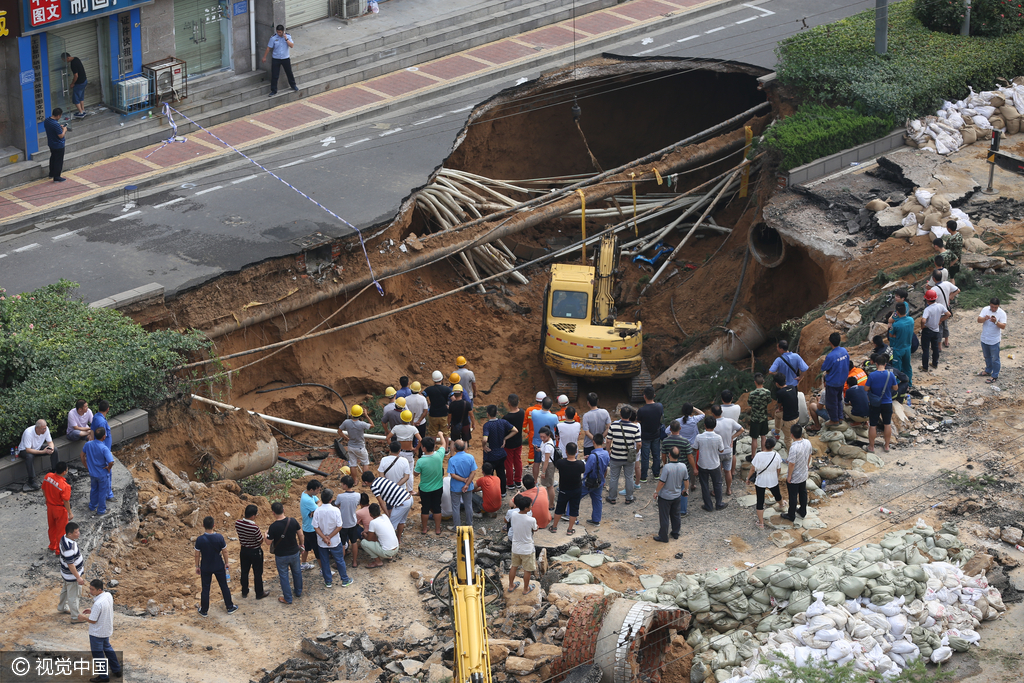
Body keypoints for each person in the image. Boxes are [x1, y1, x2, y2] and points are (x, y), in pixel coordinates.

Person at [77, 579, 122, 681]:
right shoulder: (108, 595)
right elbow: (104, 610)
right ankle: (116, 670)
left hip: (97, 633)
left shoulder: (98, 604)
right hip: (106, 630)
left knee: (98, 655)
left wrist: (84, 617)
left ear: (99, 590)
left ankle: (104, 676)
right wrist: (92, 611)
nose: (90, 591)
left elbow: (93, 620)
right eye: (90, 588)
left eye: (92, 589)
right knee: (108, 650)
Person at [194, 516, 237, 617]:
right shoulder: (219, 537)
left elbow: (197, 554)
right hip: (218, 565)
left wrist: (197, 566)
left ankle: (204, 610)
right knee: (224, 586)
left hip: (205, 566)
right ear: (214, 525)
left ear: (203, 525)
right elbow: (225, 551)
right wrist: (226, 563)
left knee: (206, 588)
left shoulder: (200, 539)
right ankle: (230, 607)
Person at [312, 489, 354, 588]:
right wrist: (329, 537)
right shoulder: (336, 510)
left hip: (322, 542)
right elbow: (339, 526)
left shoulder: (317, 511)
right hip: (334, 540)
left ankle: (328, 581)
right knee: (339, 560)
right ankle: (344, 580)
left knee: (325, 561)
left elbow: (315, 527)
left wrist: (324, 538)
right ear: (331, 499)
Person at [267, 501, 303, 604]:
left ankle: (288, 598)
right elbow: (300, 534)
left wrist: (265, 535)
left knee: (284, 576)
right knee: (297, 572)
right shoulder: (293, 521)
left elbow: (268, 542)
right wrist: (301, 544)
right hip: (294, 552)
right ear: (284, 510)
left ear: (273, 513)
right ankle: (298, 591)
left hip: (281, 555)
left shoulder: (273, 527)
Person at [361, 470, 413, 540]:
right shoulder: (381, 478)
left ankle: (392, 544)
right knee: (401, 521)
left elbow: (381, 502)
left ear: (366, 482)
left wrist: (388, 515)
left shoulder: (373, 486)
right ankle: (398, 539)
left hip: (402, 503)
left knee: (390, 526)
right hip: (409, 498)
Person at [652, 446, 688, 542]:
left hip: (665, 497)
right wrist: (686, 489)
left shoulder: (667, 467)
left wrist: (656, 492)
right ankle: (675, 533)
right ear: (679, 455)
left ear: (669, 455)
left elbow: (662, 482)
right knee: (676, 515)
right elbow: (686, 480)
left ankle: (663, 536)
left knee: (664, 517)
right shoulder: (683, 466)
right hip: (677, 495)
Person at [746, 437, 783, 530]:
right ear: (773, 446)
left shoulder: (758, 455)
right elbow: (779, 469)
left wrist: (748, 478)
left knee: (760, 501)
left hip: (760, 480)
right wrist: (776, 477)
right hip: (772, 479)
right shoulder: (777, 455)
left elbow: (753, 469)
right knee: (777, 494)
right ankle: (781, 504)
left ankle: (761, 523)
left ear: (764, 444)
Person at [235, 504, 270, 600]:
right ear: (253, 516)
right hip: (255, 551)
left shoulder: (238, 523)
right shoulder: (254, 528)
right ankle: (259, 593)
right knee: (257, 573)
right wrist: (265, 535)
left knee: (244, 571)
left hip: (244, 550)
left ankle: (244, 591)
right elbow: (260, 540)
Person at [550, 443, 586, 535]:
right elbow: (582, 471)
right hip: (576, 489)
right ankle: (570, 529)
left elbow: (557, 464)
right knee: (574, 510)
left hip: (563, 489)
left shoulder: (561, 463)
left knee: (559, 508)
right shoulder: (580, 464)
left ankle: (554, 527)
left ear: (566, 451)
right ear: (576, 451)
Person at [606, 407, 640, 505]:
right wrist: (635, 451)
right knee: (629, 477)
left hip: (615, 456)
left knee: (613, 477)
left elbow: (608, 440)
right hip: (629, 457)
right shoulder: (635, 428)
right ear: (630, 416)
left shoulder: (614, 425)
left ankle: (612, 498)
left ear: (620, 415)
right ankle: (629, 498)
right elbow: (639, 444)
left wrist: (608, 451)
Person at [864, 353, 896, 454]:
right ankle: (886, 446)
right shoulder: (890, 374)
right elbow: (895, 388)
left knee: (873, 425)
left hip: (875, 403)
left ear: (876, 364)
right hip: (887, 402)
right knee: (887, 424)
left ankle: (871, 447)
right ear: (885, 364)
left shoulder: (872, 375)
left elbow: (866, 388)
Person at [482, 405, 516, 496]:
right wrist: (505, 438)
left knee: (489, 475)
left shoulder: (487, 425)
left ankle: (490, 492)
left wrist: (484, 446)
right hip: (501, 453)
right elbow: (515, 430)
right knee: (501, 473)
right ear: (497, 413)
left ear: (487, 414)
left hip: (490, 454)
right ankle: (503, 492)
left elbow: (485, 439)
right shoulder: (503, 422)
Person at [693, 416, 726, 512]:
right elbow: (721, 450)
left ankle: (708, 505)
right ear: (715, 426)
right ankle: (719, 503)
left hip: (702, 464)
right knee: (717, 483)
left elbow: (695, 448)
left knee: (704, 484)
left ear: (704, 425)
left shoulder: (699, 437)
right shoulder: (718, 437)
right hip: (714, 464)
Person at [507, 494, 538, 594]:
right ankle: (526, 589)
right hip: (527, 549)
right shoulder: (531, 520)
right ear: (526, 508)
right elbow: (535, 529)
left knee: (514, 566)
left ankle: (511, 585)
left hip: (515, 547)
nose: (531, 507)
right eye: (530, 505)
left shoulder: (514, 515)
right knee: (527, 570)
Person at [415, 434, 446, 535]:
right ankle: (437, 529)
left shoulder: (421, 461)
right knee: (437, 507)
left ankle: (424, 528)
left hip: (425, 489)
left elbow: (415, 474)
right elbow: (444, 444)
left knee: (425, 508)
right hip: (438, 487)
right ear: (433, 446)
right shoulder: (439, 455)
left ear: (423, 448)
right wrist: (441, 435)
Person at [710, 405, 743, 496]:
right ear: (722, 412)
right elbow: (741, 429)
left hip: (717, 452)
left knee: (718, 472)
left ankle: (716, 490)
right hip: (728, 450)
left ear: (713, 413)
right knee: (727, 471)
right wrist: (732, 437)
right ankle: (728, 490)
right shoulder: (730, 421)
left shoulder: (713, 423)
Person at [17, 419, 57, 492]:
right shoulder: (28, 432)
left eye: (45, 428)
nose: (45, 430)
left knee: (55, 450)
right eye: (43, 429)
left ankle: (55, 471)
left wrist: (51, 449)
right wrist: (42, 452)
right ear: (37, 428)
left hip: (37, 448)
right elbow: (28, 450)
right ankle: (31, 479)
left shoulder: (46, 429)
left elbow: (50, 442)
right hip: (24, 450)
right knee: (30, 456)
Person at [821, 332, 851, 427]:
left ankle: (834, 420)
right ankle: (840, 417)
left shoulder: (831, 356)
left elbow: (824, 367)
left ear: (830, 342)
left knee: (831, 402)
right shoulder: (844, 351)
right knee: (838, 399)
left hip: (833, 382)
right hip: (842, 380)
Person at [780, 425, 810, 521]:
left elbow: (792, 464)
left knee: (793, 495)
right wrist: (807, 465)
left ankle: (791, 515)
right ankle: (803, 511)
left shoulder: (794, 447)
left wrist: (789, 476)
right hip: (803, 472)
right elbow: (810, 454)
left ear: (791, 435)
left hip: (795, 475)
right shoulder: (807, 442)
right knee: (803, 493)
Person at [43, 461, 73, 554]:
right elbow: (66, 501)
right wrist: (70, 512)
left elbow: (43, 489)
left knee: (52, 527)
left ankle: (52, 546)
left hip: (50, 507)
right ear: (64, 471)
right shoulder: (65, 486)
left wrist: (47, 499)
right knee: (61, 530)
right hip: (59, 509)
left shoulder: (48, 476)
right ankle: (59, 550)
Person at [636, 387, 664, 483]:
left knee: (645, 457)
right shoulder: (659, 407)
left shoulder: (641, 410)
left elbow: (638, 422)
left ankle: (643, 476)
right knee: (656, 455)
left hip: (645, 436)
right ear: (654, 396)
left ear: (644, 396)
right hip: (656, 434)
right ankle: (656, 474)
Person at [82, 427, 113, 514]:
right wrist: (109, 467)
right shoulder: (104, 448)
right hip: (102, 474)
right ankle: (101, 510)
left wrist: (86, 466)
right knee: (102, 492)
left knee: (94, 489)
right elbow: (111, 461)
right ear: (104, 436)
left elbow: (82, 455)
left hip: (92, 473)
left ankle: (92, 506)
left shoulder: (88, 444)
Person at [58, 522, 85, 620]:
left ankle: (62, 607)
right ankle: (75, 617)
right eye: (76, 532)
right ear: (70, 534)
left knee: (65, 590)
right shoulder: (69, 548)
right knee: (74, 596)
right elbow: (71, 565)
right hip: (72, 575)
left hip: (65, 573)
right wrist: (78, 577)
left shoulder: (64, 538)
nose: (79, 533)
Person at [337, 405, 373, 477]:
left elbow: (339, 431)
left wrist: (346, 438)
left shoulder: (346, 422)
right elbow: (372, 425)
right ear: (360, 414)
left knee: (353, 465)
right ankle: (364, 481)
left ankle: (355, 481)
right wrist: (366, 415)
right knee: (365, 463)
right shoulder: (362, 424)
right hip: (360, 447)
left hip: (351, 446)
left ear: (352, 414)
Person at [263, 25, 298, 96]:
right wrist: (264, 57)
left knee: (289, 73)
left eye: (280, 32)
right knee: (274, 75)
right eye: (277, 32)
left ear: (283, 31)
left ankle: (293, 85)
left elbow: (291, 46)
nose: (278, 33)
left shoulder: (288, 36)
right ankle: (273, 90)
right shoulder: (273, 38)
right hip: (276, 58)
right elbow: (268, 48)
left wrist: (286, 39)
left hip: (285, 58)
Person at [979, 297, 1008, 383]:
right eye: (992, 307)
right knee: (987, 356)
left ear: (998, 306)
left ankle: (995, 375)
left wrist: (996, 322)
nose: (993, 309)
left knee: (995, 359)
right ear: (989, 304)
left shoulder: (1002, 313)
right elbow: (978, 320)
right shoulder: (985, 309)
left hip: (994, 340)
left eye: (995, 307)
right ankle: (988, 370)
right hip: (984, 338)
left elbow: (1003, 326)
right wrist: (985, 318)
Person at [336, 476, 363, 567]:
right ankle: (354, 562)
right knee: (354, 542)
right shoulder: (358, 495)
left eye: (342, 484)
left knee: (342, 543)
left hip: (343, 524)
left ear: (346, 485)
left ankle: (340, 563)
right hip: (353, 523)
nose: (341, 485)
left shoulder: (340, 496)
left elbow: (336, 505)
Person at [529, 397, 559, 479]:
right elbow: (557, 426)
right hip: (549, 443)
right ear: (551, 406)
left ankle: (535, 481)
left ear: (541, 404)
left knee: (536, 463)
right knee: (549, 462)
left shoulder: (534, 413)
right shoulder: (554, 417)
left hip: (537, 443)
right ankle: (549, 481)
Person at [583, 433, 610, 526]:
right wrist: (603, 480)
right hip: (599, 481)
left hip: (589, 481)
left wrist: (582, 479)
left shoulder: (593, 456)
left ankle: (570, 515)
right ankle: (596, 520)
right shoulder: (606, 453)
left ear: (593, 441)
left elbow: (587, 470)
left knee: (576, 496)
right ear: (603, 442)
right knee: (597, 500)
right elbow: (605, 468)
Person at [920, 288, 949, 373]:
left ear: (927, 300)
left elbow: (923, 320)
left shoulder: (927, 309)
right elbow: (948, 314)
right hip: (936, 330)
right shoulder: (940, 306)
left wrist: (923, 326)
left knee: (925, 349)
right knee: (935, 348)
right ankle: (934, 363)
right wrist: (941, 320)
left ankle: (925, 367)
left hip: (927, 330)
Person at [90, 400, 114, 501]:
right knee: (107, 473)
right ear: (107, 409)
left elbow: (91, 432)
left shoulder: (96, 417)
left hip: (98, 449)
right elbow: (102, 437)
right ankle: (108, 495)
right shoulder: (102, 422)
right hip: (103, 451)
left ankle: (97, 500)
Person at [930, 270, 960, 348]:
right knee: (945, 327)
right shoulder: (947, 283)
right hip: (946, 310)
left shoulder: (933, 290)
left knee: (939, 329)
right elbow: (957, 290)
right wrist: (950, 297)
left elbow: (931, 303)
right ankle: (946, 342)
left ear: (933, 278)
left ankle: (939, 346)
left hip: (938, 312)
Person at [502, 394, 525, 489]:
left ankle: (510, 483)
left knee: (508, 463)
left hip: (509, 443)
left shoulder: (506, 418)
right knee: (518, 460)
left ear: (508, 404)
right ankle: (518, 481)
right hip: (518, 441)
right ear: (518, 402)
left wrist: (504, 439)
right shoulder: (522, 412)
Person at [889, 302, 915, 386]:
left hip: (898, 348)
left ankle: (897, 386)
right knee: (907, 367)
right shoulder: (911, 320)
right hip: (907, 347)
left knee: (896, 368)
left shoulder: (896, 324)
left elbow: (891, 334)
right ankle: (909, 384)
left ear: (897, 312)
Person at [299, 480, 322, 572]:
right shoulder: (307, 500)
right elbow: (319, 509)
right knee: (317, 550)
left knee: (307, 547)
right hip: (311, 528)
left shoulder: (306, 494)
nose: (319, 492)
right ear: (312, 489)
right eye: (318, 490)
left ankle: (303, 564)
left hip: (306, 527)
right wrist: (315, 510)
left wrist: (314, 510)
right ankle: (323, 569)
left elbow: (319, 502)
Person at [773, 373, 799, 449]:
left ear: (777, 384)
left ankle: (790, 458)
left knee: (788, 439)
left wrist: (780, 408)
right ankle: (777, 432)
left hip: (788, 420)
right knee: (777, 414)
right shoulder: (793, 387)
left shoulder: (780, 393)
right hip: (797, 416)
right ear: (785, 380)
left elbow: (780, 406)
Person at [747, 374, 772, 452]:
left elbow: (750, 404)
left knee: (754, 438)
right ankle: (764, 452)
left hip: (754, 418)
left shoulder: (752, 394)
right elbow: (769, 402)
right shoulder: (767, 392)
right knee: (763, 436)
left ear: (755, 382)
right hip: (764, 417)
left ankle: (753, 456)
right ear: (763, 381)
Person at [581, 392, 611, 457]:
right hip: (602, 443)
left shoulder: (586, 416)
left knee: (589, 464)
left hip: (589, 444)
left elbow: (587, 432)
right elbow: (609, 427)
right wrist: (601, 438)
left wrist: (595, 439)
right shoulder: (605, 412)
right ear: (597, 401)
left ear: (588, 403)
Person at [392, 409, 420, 473]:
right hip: (409, 453)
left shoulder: (396, 427)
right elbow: (420, 440)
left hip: (400, 452)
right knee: (409, 473)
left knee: (399, 472)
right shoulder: (413, 428)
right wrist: (416, 449)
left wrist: (393, 447)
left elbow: (388, 438)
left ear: (401, 418)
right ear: (410, 419)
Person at [425, 370, 452, 437]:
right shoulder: (447, 389)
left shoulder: (429, 389)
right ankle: (445, 447)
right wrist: (449, 407)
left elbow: (421, 397)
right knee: (445, 433)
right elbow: (454, 399)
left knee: (433, 434)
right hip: (444, 414)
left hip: (433, 414)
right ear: (442, 379)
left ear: (433, 380)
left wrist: (428, 404)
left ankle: (433, 447)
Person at [44, 108, 68, 182]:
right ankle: (57, 177)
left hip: (51, 143)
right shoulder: (55, 124)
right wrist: (64, 130)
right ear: (58, 116)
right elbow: (61, 136)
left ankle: (51, 173)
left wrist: (58, 127)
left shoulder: (47, 121)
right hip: (58, 145)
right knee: (58, 161)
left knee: (53, 158)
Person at [522, 391, 546, 466]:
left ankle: (531, 464)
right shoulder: (546, 411)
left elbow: (524, 425)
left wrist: (527, 431)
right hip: (544, 434)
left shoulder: (529, 410)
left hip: (532, 434)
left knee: (532, 450)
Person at [61, 53, 88, 117]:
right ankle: (83, 110)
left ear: (67, 58)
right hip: (84, 81)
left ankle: (81, 113)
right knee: (81, 96)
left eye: (64, 60)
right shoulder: (76, 58)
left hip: (79, 83)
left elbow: (76, 75)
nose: (65, 62)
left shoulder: (73, 64)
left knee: (76, 99)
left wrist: (72, 83)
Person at [536, 426, 557, 506]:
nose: (542, 438)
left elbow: (547, 460)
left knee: (549, 486)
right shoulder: (546, 441)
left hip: (548, 465)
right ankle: (550, 502)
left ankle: (551, 504)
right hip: (546, 464)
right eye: (540, 436)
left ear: (548, 436)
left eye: (543, 437)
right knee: (548, 485)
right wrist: (539, 449)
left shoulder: (548, 446)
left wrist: (543, 472)